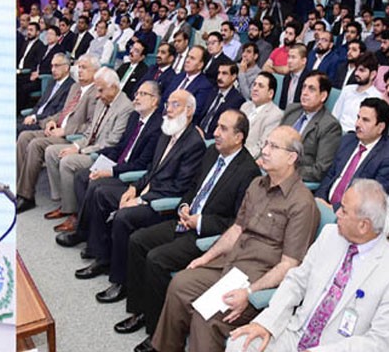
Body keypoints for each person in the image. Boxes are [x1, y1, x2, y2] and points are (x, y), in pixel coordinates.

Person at [150, 126, 320, 352]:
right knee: (180, 284)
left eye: (273, 146)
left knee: (207, 317)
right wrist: (206, 258)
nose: (264, 151)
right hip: (230, 262)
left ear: (292, 157)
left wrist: (250, 293)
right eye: (265, 144)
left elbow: (289, 264)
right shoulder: (257, 185)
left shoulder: (302, 203)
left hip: (257, 276)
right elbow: (236, 229)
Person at [117, 110, 259, 348]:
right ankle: (140, 310)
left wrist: (200, 221)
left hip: (207, 236)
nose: (216, 133)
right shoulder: (212, 153)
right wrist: (184, 206)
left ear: (239, 137)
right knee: (137, 240)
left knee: (157, 259)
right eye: (217, 126)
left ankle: (157, 331)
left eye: (224, 129)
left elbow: (236, 223)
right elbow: (193, 187)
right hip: (184, 221)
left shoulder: (248, 171)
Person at [228, 179, 389, 352]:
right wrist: (266, 323)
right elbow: (296, 282)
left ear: (363, 225)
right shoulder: (330, 235)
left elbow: (379, 341)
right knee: (240, 344)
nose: (337, 214)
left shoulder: (384, 268)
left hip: (334, 348)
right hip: (294, 336)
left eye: (344, 210)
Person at [70, 90, 205, 284]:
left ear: (189, 111)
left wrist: (141, 199)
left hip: (162, 203)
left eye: (175, 105)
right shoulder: (167, 133)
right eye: (168, 104)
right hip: (147, 190)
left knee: (124, 217)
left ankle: (120, 280)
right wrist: (134, 188)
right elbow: (152, 170)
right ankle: (102, 257)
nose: (169, 109)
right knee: (101, 192)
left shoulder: (194, 144)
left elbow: (179, 187)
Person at [54, 81, 162, 234]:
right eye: (137, 93)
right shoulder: (134, 117)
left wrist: (111, 170)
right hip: (118, 164)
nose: (137, 97)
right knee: (81, 176)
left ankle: (82, 231)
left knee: (95, 185)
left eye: (143, 94)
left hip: (130, 174)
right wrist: (101, 159)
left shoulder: (157, 126)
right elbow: (120, 146)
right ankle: (85, 223)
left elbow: (142, 164)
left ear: (154, 100)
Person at [43, 67, 133, 220]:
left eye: (101, 90)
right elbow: (90, 132)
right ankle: (64, 201)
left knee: (67, 161)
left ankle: (71, 211)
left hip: (102, 154)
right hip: (89, 146)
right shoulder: (102, 101)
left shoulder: (125, 107)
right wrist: (76, 146)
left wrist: (80, 151)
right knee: (51, 151)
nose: (97, 95)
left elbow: (112, 142)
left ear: (113, 87)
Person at [16, 54, 99, 213]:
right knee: (24, 136)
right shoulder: (76, 88)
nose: (80, 71)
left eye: (84, 68)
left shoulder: (96, 92)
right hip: (57, 129)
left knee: (35, 144)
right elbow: (63, 112)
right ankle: (20, 188)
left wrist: (65, 130)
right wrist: (52, 121)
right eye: (79, 67)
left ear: (95, 71)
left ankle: (26, 196)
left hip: (70, 137)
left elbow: (91, 125)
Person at [317, 98, 389, 206]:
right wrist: (319, 200)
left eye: (365, 120)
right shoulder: (348, 140)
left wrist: (334, 209)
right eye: (358, 118)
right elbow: (330, 175)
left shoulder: (386, 157)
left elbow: (371, 200)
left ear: (380, 127)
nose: (358, 124)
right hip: (323, 204)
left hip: (351, 212)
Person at [280, 71, 342, 182]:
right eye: (304, 87)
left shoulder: (330, 126)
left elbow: (320, 170)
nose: (304, 93)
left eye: (311, 89)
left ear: (323, 96)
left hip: (296, 178)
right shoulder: (292, 110)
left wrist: (287, 170)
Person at [18, 53, 75, 135]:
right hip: (34, 120)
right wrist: (31, 116)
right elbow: (39, 104)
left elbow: (58, 112)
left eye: (56, 66)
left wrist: (35, 117)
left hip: (45, 123)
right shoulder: (51, 82)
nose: (53, 70)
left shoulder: (71, 87)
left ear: (66, 68)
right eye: (52, 66)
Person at [161, 46, 214, 124]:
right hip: (162, 118)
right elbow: (164, 98)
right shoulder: (178, 77)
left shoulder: (204, 85)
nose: (187, 60)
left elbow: (194, 111)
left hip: (180, 123)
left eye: (192, 58)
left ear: (200, 65)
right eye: (188, 57)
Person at [332, 52, 383, 132]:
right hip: (335, 132)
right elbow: (335, 116)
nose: (356, 73)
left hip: (356, 136)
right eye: (356, 69)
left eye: (361, 71)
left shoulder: (377, 98)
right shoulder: (347, 90)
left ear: (373, 74)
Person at [240, 72, 284, 158]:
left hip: (248, 158)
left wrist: (238, 158)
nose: (255, 88)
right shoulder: (245, 106)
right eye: (254, 84)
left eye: (260, 86)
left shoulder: (275, 115)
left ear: (270, 93)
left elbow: (261, 147)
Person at [199, 63, 245, 139]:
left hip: (212, 138)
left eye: (224, 73)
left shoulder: (237, 100)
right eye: (219, 73)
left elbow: (226, 128)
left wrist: (204, 136)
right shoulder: (212, 90)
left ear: (233, 76)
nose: (219, 77)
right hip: (197, 132)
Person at [278, 44, 309, 110]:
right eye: (289, 57)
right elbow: (282, 103)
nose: (289, 61)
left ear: (303, 61)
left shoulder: (309, 79)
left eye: (293, 57)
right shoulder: (287, 77)